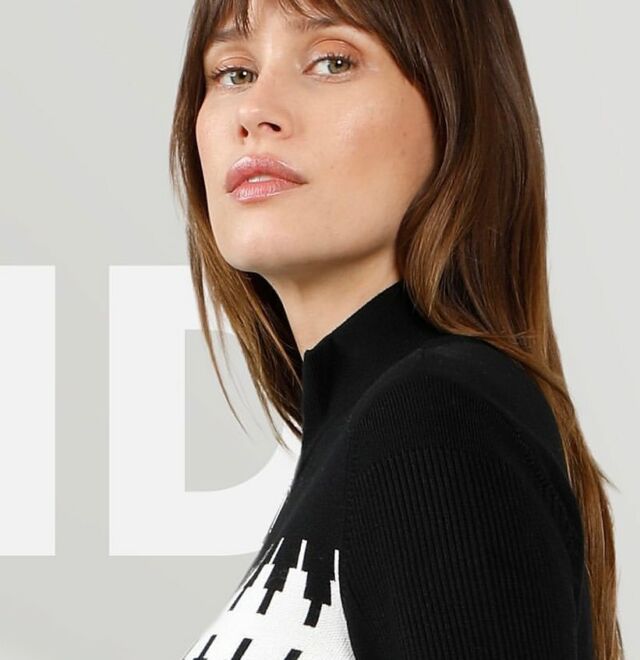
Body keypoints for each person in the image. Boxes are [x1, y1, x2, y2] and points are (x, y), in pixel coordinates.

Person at [170, 0, 624, 658]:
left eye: (332, 61)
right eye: (234, 72)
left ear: (456, 111)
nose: (255, 111)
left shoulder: (435, 422)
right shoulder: (371, 434)